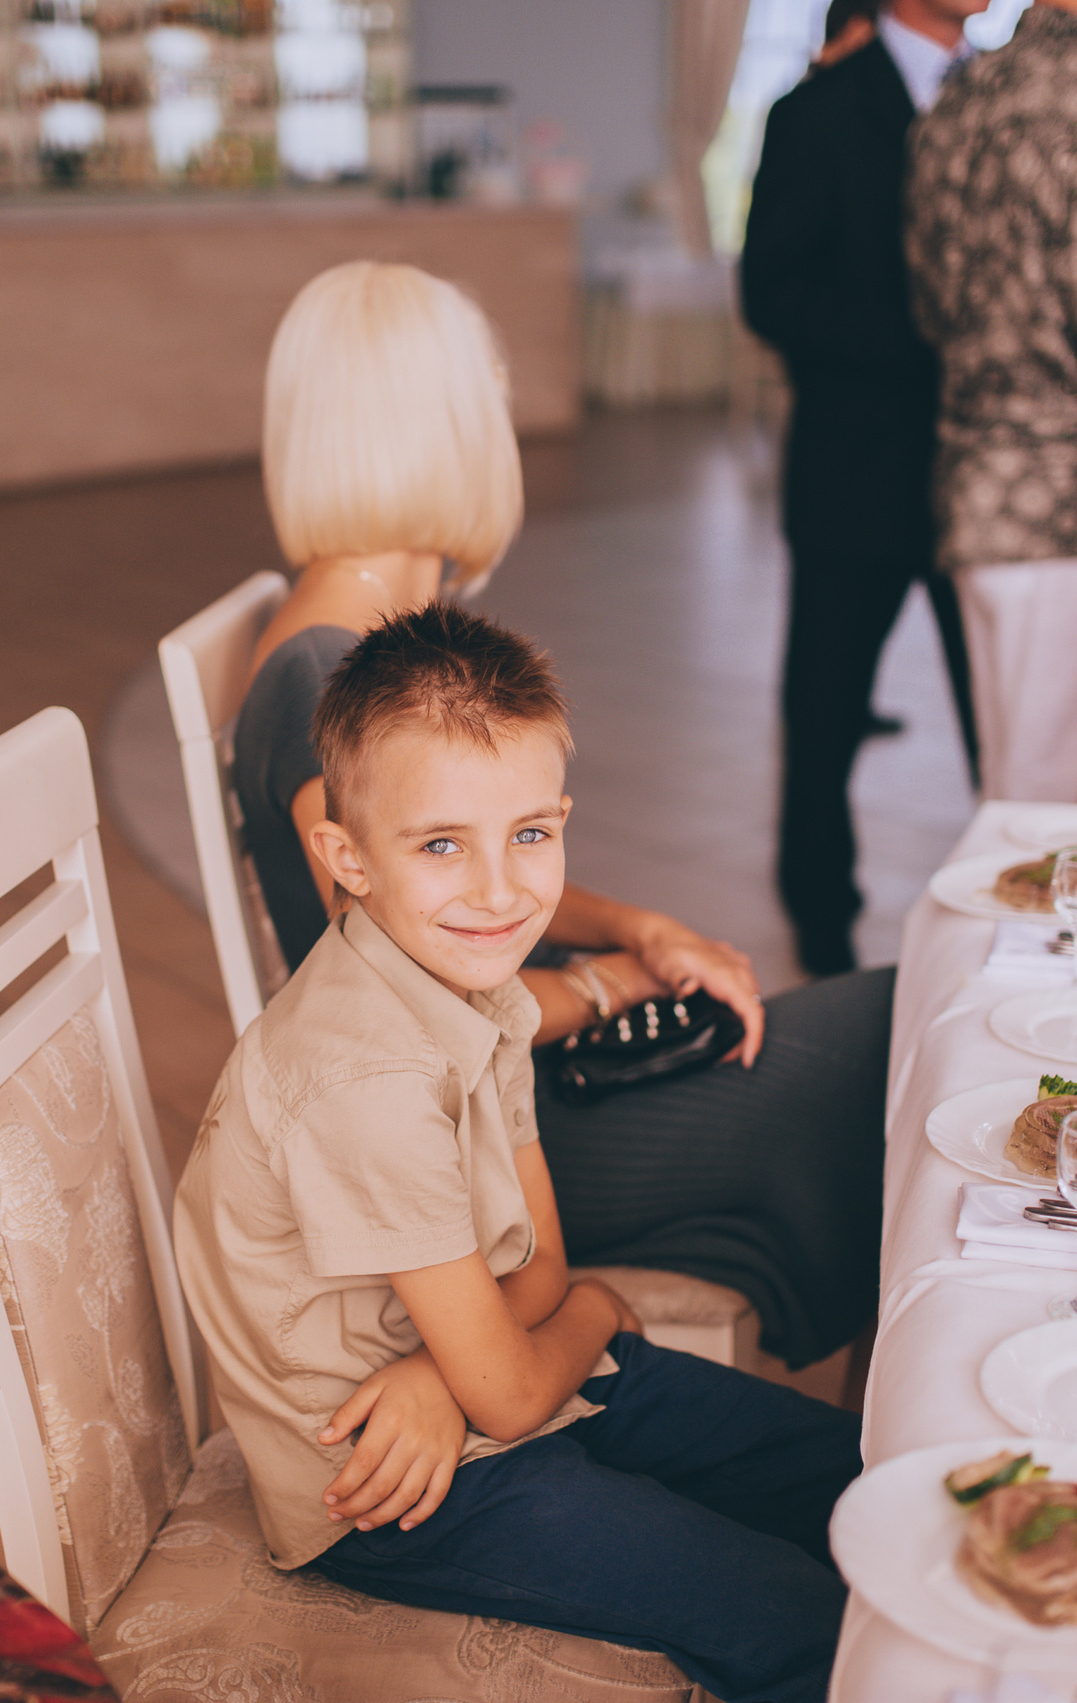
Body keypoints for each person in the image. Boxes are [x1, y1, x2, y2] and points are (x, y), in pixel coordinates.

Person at [176, 603, 862, 1703]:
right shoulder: (366, 1080)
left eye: (530, 834)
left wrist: (504, 1344)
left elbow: (537, 1270)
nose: (501, 891)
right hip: (395, 1483)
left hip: (498, 1375)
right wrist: (587, 1313)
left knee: (864, 1483)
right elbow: (518, 1373)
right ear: (346, 858)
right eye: (441, 844)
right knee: (802, 1622)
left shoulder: (475, 988)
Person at [233, 262, 891, 1373]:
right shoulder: (325, 680)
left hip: (521, 1090)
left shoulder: (353, 637)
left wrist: (637, 926)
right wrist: (613, 980)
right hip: (499, 1138)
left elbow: (460, 882)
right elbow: (417, 1013)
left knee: (875, 1038)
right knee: (894, 1035)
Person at [739, 0, 985, 976]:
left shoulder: (1001, 93)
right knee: (826, 710)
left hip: (987, 477)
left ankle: (1022, 908)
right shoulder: (815, 111)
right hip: (857, 470)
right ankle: (819, 916)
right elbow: (771, 291)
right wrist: (933, 346)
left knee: (1003, 717)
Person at [907, 0, 1077, 802]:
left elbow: (931, 304)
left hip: (978, 484)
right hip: (1074, 501)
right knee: (1049, 803)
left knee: (1014, 784)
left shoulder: (966, 87)